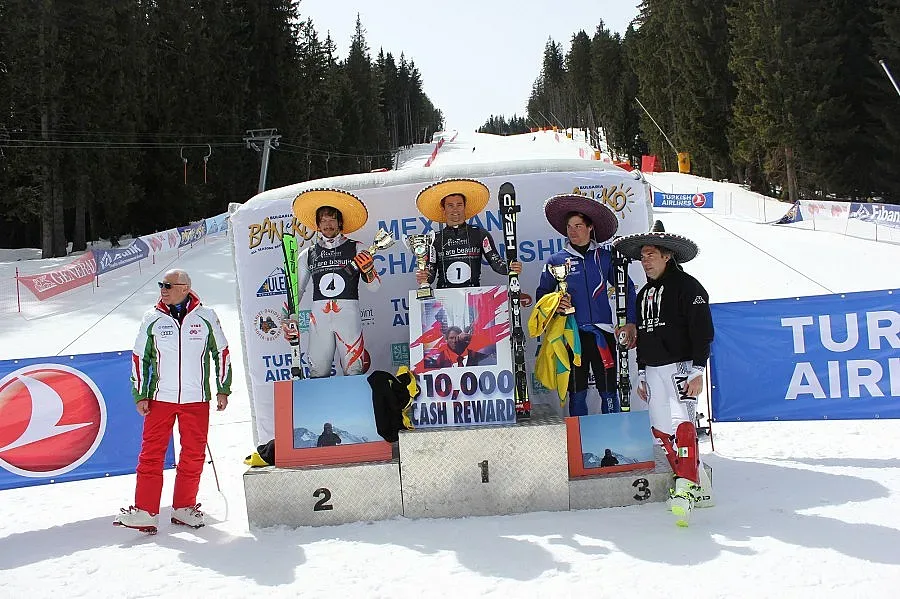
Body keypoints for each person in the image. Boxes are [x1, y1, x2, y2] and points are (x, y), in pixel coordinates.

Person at [114, 269, 231, 533]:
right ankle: (145, 511)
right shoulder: (152, 318)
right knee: (151, 454)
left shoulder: (206, 316)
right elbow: (139, 357)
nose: (162, 290)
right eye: (161, 285)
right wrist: (141, 394)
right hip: (160, 398)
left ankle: (184, 508)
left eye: (167, 285)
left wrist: (223, 389)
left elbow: (221, 352)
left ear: (184, 288)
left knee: (193, 454)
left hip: (196, 398)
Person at [612, 229, 715, 526]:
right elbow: (643, 336)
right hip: (654, 369)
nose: (645, 261)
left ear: (667, 256)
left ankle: (684, 489)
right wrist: (642, 371)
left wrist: (698, 370)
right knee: (660, 430)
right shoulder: (643, 293)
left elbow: (703, 331)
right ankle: (691, 481)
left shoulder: (688, 286)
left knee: (684, 425)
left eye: (651, 255)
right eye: (642, 256)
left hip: (681, 366)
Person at [536, 194, 637, 416]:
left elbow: (628, 288)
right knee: (577, 392)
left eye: (578, 226)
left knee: (609, 391)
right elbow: (542, 295)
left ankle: (613, 431)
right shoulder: (556, 260)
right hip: (571, 334)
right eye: (569, 227)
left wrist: (630, 321)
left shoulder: (606, 257)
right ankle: (578, 436)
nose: (572, 231)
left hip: (603, 334)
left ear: (590, 227)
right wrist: (555, 306)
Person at [284, 188, 380, 377]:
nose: (328, 224)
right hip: (319, 319)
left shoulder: (357, 248)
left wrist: (369, 270)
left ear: (340, 222)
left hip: (348, 317)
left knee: (354, 370)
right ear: (318, 224)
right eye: (323, 220)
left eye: (332, 219)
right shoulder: (308, 254)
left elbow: (375, 287)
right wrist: (287, 319)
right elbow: (297, 291)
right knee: (318, 371)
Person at [413, 178, 522, 290]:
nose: (455, 209)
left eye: (459, 205)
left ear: (465, 207)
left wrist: (511, 267)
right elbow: (430, 275)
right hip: (444, 296)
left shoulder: (480, 234)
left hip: (473, 295)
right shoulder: (434, 239)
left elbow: (496, 263)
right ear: (444, 209)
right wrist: (423, 276)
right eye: (450, 205)